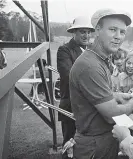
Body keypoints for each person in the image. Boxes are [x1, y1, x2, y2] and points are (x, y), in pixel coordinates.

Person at [69, 9, 133, 159]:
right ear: (97, 30)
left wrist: (116, 96)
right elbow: (111, 115)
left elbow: (93, 95)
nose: (118, 37)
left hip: (103, 139)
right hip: (94, 145)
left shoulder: (100, 59)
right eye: (112, 30)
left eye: (122, 32)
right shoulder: (90, 65)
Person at [56, 16, 94, 159]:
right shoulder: (64, 50)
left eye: (89, 32)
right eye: (83, 32)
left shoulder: (90, 51)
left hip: (90, 106)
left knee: (85, 144)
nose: (87, 35)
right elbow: (69, 75)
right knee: (69, 144)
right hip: (71, 105)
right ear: (74, 33)